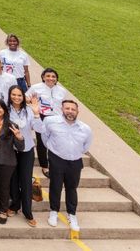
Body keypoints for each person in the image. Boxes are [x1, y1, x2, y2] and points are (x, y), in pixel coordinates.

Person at [43, 99, 93, 231]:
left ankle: (72, 214)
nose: (70, 111)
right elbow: (45, 138)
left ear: (77, 112)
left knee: (72, 188)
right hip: (57, 159)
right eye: (67, 108)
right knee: (55, 186)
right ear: (62, 109)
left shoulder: (85, 129)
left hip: (75, 161)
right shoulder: (50, 122)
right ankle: (54, 211)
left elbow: (85, 146)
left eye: (73, 109)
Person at [0, 98, 25, 224]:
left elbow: (20, 147)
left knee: (4, 185)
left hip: (6, 159)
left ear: (4, 109)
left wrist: (19, 137)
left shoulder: (12, 125)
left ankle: (3, 210)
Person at [7, 85, 42, 227]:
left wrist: (36, 114)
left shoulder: (29, 110)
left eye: (19, 95)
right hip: (11, 150)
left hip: (26, 150)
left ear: (23, 97)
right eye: (13, 95)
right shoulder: (6, 110)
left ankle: (28, 212)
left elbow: (39, 129)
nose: (16, 97)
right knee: (13, 180)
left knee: (26, 181)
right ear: (9, 95)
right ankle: (15, 205)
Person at [26, 67, 68, 177]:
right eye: (48, 76)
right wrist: (31, 102)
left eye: (53, 76)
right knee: (42, 142)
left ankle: (56, 164)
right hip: (41, 117)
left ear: (56, 79)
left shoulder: (62, 91)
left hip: (57, 118)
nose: (50, 78)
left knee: (57, 141)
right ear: (43, 77)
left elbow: (64, 105)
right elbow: (25, 98)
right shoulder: (36, 88)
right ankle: (44, 166)